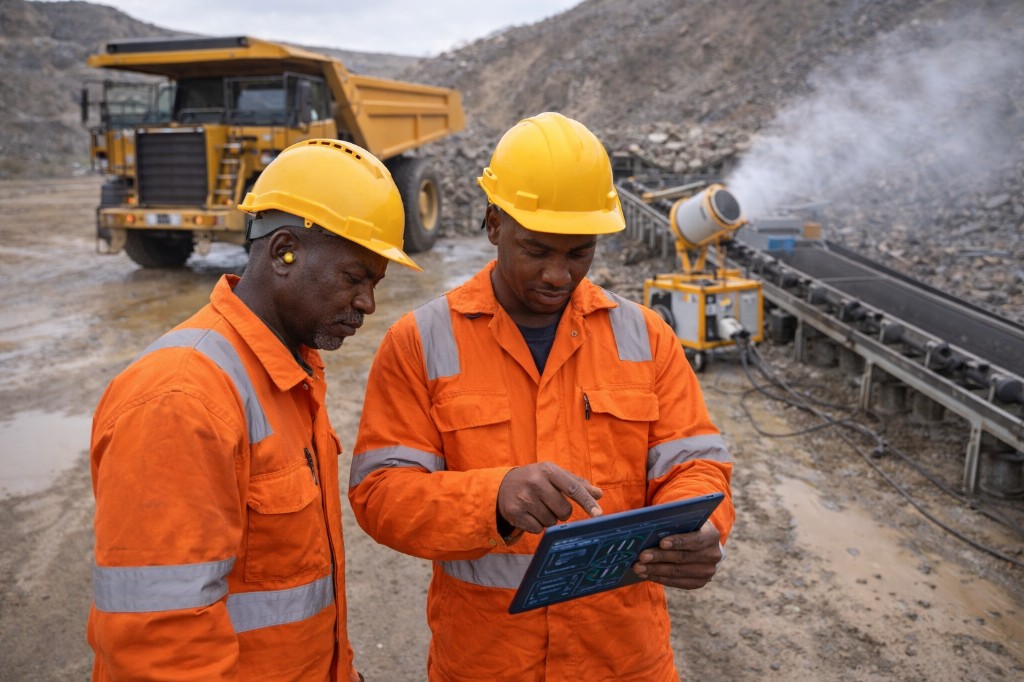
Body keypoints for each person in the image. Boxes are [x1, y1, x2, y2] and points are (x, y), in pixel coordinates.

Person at [348, 112, 735, 681]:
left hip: (623, 660)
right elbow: (381, 494)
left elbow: (696, 463)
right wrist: (492, 498)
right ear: (493, 223)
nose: (558, 274)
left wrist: (706, 533)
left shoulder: (645, 336)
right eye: (537, 250)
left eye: (578, 253)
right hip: (488, 662)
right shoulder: (421, 342)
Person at [87, 138, 421, 681]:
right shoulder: (183, 399)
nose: (368, 304)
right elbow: (162, 649)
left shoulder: (288, 375)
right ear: (284, 249)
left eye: (375, 284)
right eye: (355, 278)